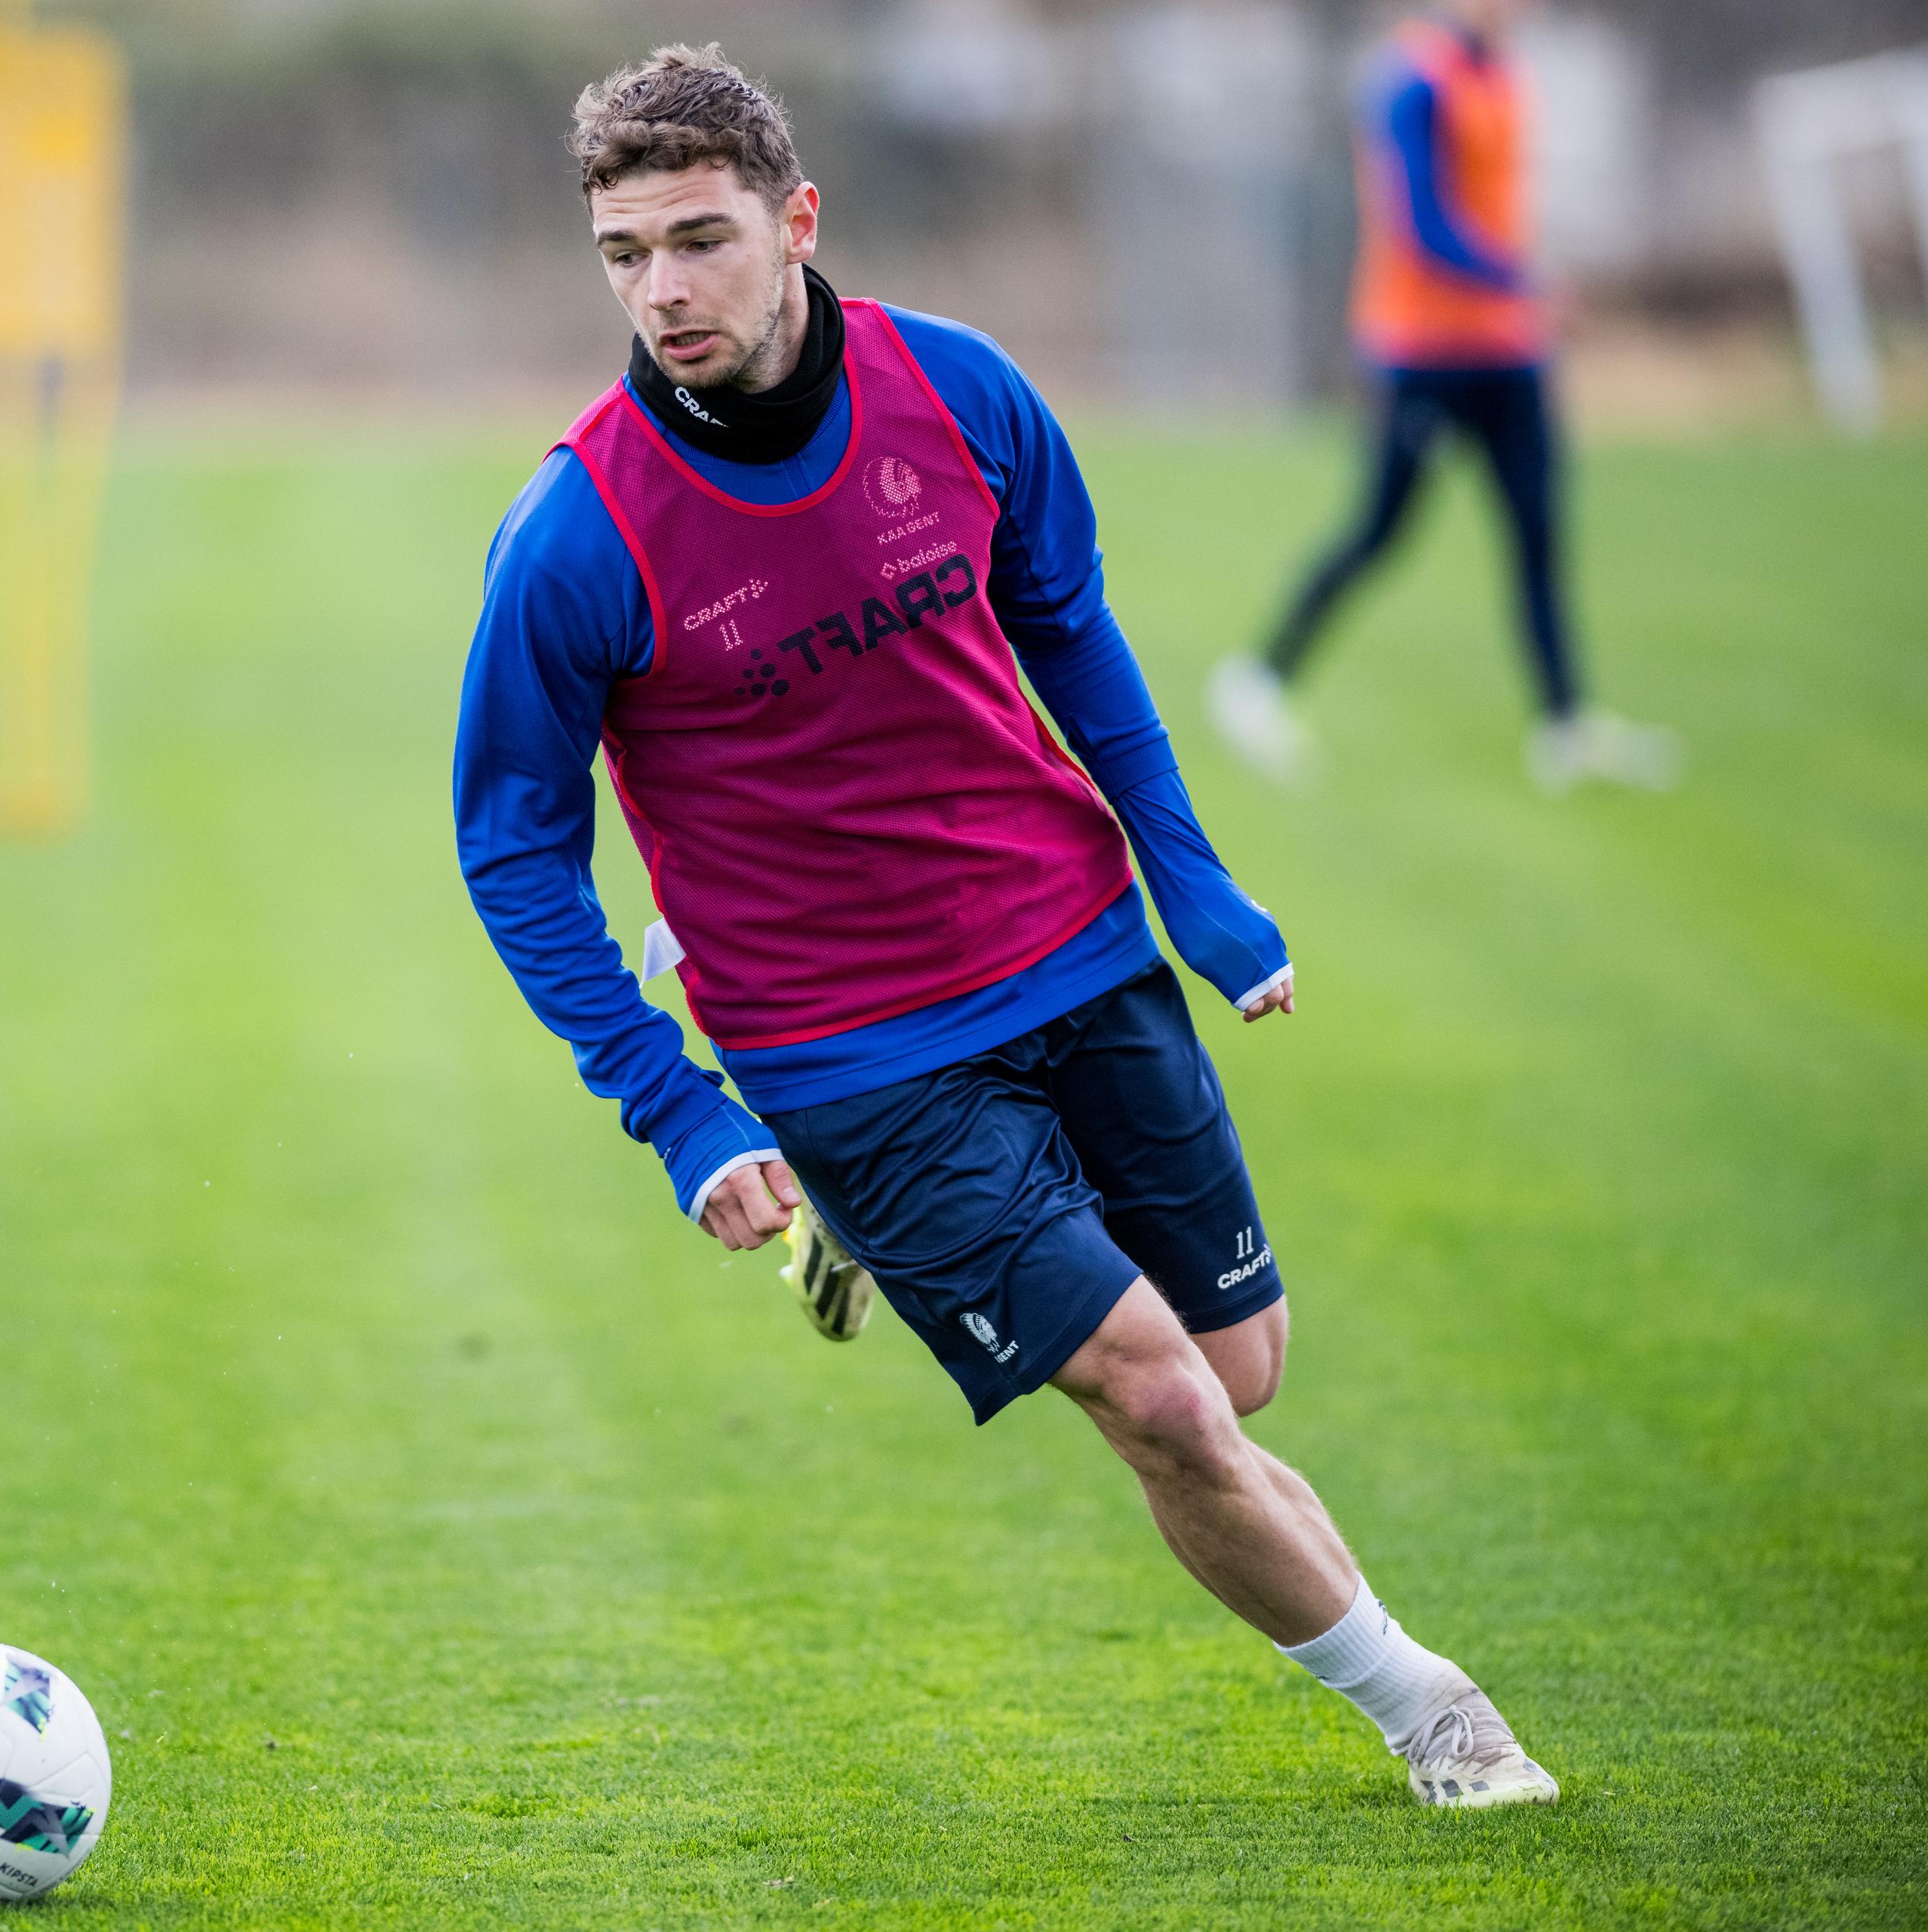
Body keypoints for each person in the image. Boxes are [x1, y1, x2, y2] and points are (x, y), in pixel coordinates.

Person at [451, 43, 1557, 1808]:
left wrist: (1190, 883)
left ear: (795, 222)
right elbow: (510, 844)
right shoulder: (577, 530)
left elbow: (1075, 639)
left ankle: (878, 1242)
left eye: (699, 238)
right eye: (622, 253)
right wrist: (679, 1106)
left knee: (1236, 1371)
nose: (660, 289)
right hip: (838, 1045)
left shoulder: (956, 394)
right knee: (1159, 1404)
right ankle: (1436, 1714)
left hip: (1069, 940)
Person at [1210, 0, 1677, 794]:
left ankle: (1565, 727)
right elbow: (1423, 227)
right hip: (1423, 354)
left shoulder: (1508, 75)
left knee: (1538, 532)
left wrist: (1521, 297)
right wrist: (1526, 280)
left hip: (1508, 352)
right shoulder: (1412, 81)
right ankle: (1257, 680)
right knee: (1379, 532)